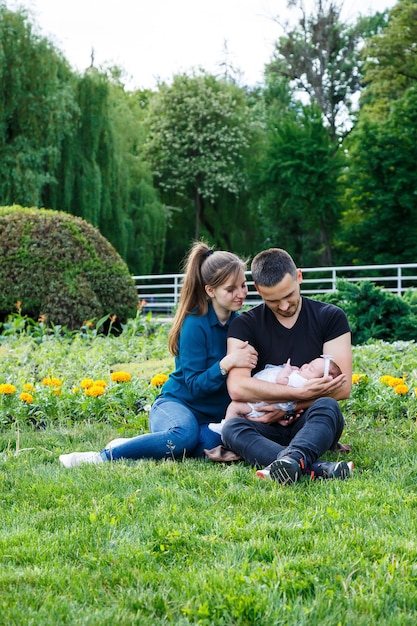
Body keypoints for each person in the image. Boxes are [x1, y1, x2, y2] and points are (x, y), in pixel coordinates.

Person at [59, 242, 258, 468]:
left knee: (207, 447)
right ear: (210, 291)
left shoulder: (240, 324)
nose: (241, 293)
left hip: (210, 420)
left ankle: (137, 444)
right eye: (231, 289)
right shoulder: (195, 324)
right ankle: (101, 457)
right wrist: (225, 364)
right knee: (183, 437)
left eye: (243, 285)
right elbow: (193, 385)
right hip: (177, 405)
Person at [221, 247, 353, 485]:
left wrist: (290, 408)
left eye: (289, 295)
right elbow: (238, 388)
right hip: (264, 425)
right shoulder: (244, 326)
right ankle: (308, 466)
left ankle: (293, 460)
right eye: (272, 300)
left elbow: (341, 388)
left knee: (328, 406)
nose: (283, 306)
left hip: (309, 422)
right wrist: (299, 393)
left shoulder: (331, 317)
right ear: (259, 290)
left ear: (299, 277)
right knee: (232, 428)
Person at [208, 356, 342, 435]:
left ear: (319, 380)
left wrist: (287, 369)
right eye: (309, 364)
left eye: (311, 369)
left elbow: (281, 381)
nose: (305, 366)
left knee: (235, 407)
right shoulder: (305, 382)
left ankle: (226, 426)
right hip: (269, 409)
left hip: (259, 406)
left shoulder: (302, 382)